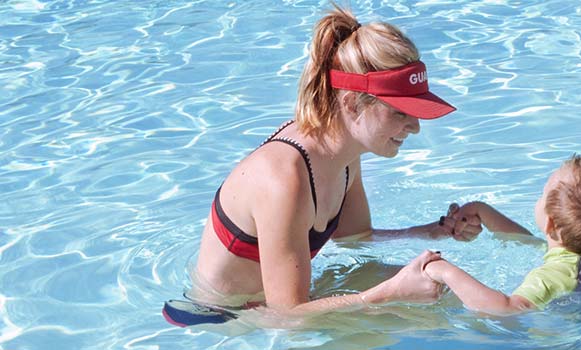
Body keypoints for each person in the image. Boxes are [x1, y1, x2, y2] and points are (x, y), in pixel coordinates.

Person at [174, 5, 484, 323]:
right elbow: (286, 317)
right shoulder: (284, 179)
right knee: (421, 317)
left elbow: (354, 237)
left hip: (274, 307)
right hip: (228, 322)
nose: (416, 126)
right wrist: (392, 292)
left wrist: (430, 231)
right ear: (351, 102)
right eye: (400, 112)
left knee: (443, 292)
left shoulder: (344, 155)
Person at [424, 154, 581, 316]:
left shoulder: (549, 276)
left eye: (542, 194)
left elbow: (508, 310)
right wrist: (482, 211)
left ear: (550, 223)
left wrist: (446, 272)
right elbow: (527, 242)